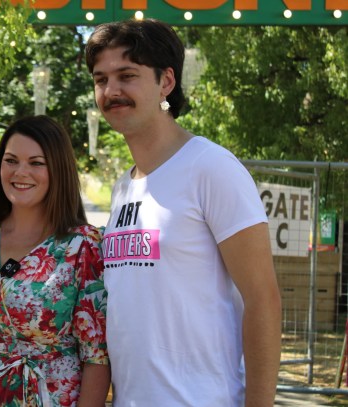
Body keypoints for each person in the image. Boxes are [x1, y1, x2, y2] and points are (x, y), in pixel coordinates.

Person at [85, 19, 282, 407]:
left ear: (166, 82)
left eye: (127, 75)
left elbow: (263, 299)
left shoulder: (211, 167)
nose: (111, 91)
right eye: (100, 79)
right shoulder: (124, 186)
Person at [0, 115, 110, 406]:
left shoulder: (83, 246)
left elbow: (96, 356)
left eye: (36, 163)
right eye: (11, 160)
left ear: (58, 170)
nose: (20, 172)